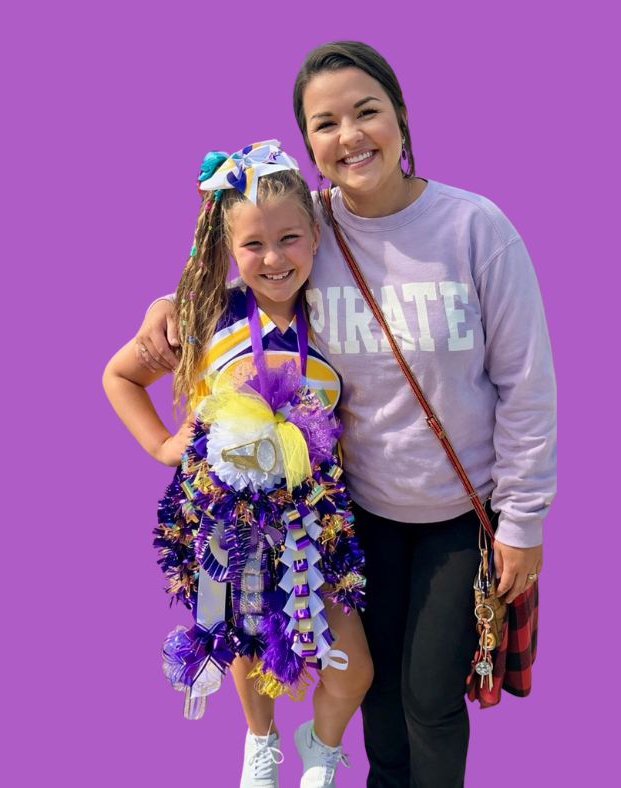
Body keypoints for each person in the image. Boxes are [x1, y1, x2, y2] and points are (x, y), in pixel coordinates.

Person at [135, 42, 556, 788]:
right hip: (357, 510)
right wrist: (171, 306)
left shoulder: (475, 228)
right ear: (309, 147)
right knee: (379, 697)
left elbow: (527, 384)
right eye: (326, 123)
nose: (350, 134)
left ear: (400, 116)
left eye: (366, 111)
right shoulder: (310, 231)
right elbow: (244, 257)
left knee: (429, 698)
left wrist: (522, 523)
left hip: (461, 511)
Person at [103, 141, 373, 788]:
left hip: (316, 525)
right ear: (227, 247)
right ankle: (261, 743)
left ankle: (323, 744)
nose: (274, 259)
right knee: (250, 644)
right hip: (231, 521)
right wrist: (165, 446)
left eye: (290, 238)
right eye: (253, 245)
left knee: (353, 667)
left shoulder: (335, 316)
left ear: (316, 234)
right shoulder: (204, 318)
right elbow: (120, 376)